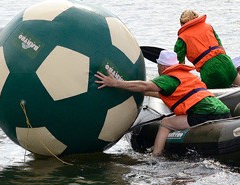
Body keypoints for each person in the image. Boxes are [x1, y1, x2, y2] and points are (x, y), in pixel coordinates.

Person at [94, 50, 231, 156]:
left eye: (159, 65)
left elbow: (144, 86)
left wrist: (116, 83)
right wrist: (129, 90)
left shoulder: (168, 78)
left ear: (162, 66)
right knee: (173, 119)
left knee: (166, 122)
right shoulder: (185, 75)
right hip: (222, 110)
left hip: (204, 114)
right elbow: (159, 93)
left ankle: (156, 155)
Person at [174, 9, 240, 89]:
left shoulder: (182, 38)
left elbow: (180, 65)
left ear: (181, 23)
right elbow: (220, 47)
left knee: (210, 97)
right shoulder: (208, 27)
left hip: (209, 69)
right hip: (226, 62)